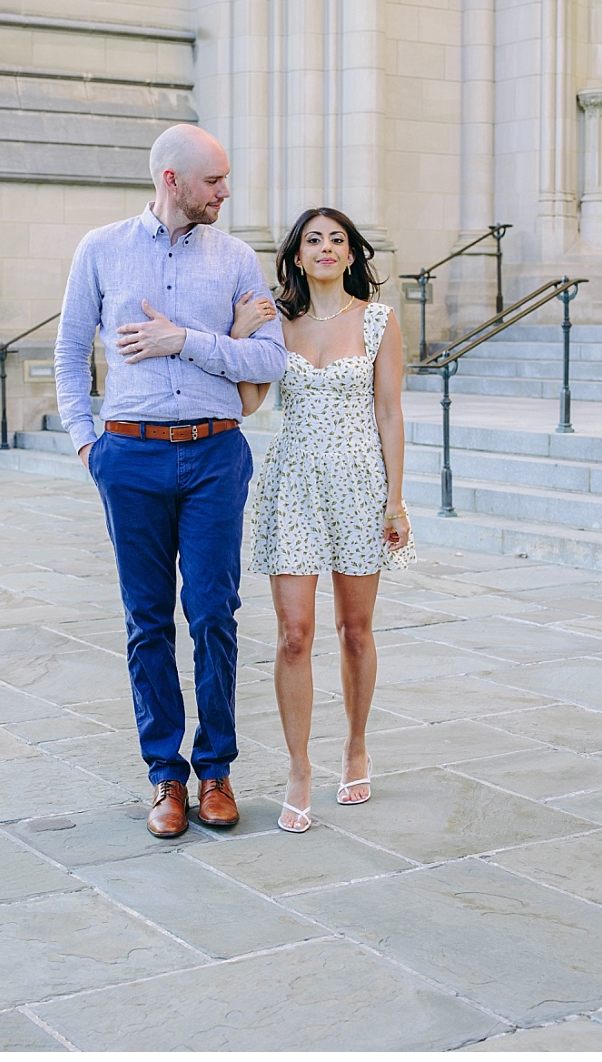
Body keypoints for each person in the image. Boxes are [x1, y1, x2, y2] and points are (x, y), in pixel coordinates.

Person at [53, 123, 287, 838]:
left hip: (217, 454)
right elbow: (69, 352)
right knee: (147, 620)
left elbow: (272, 361)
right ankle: (165, 778)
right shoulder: (101, 250)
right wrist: (88, 446)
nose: (224, 191)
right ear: (171, 180)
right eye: (213, 180)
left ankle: (215, 771)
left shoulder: (239, 258)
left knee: (214, 612)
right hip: (131, 456)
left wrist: (185, 340)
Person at [230, 206, 414, 834]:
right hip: (294, 484)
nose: (327, 248)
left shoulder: (379, 321)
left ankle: (356, 746)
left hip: (361, 483)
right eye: (314, 240)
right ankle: (299, 767)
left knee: (355, 629)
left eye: (337, 239)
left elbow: (390, 413)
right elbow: (250, 402)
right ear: (297, 256)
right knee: (293, 634)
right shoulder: (278, 324)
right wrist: (238, 334)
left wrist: (396, 498)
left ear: (353, 253)